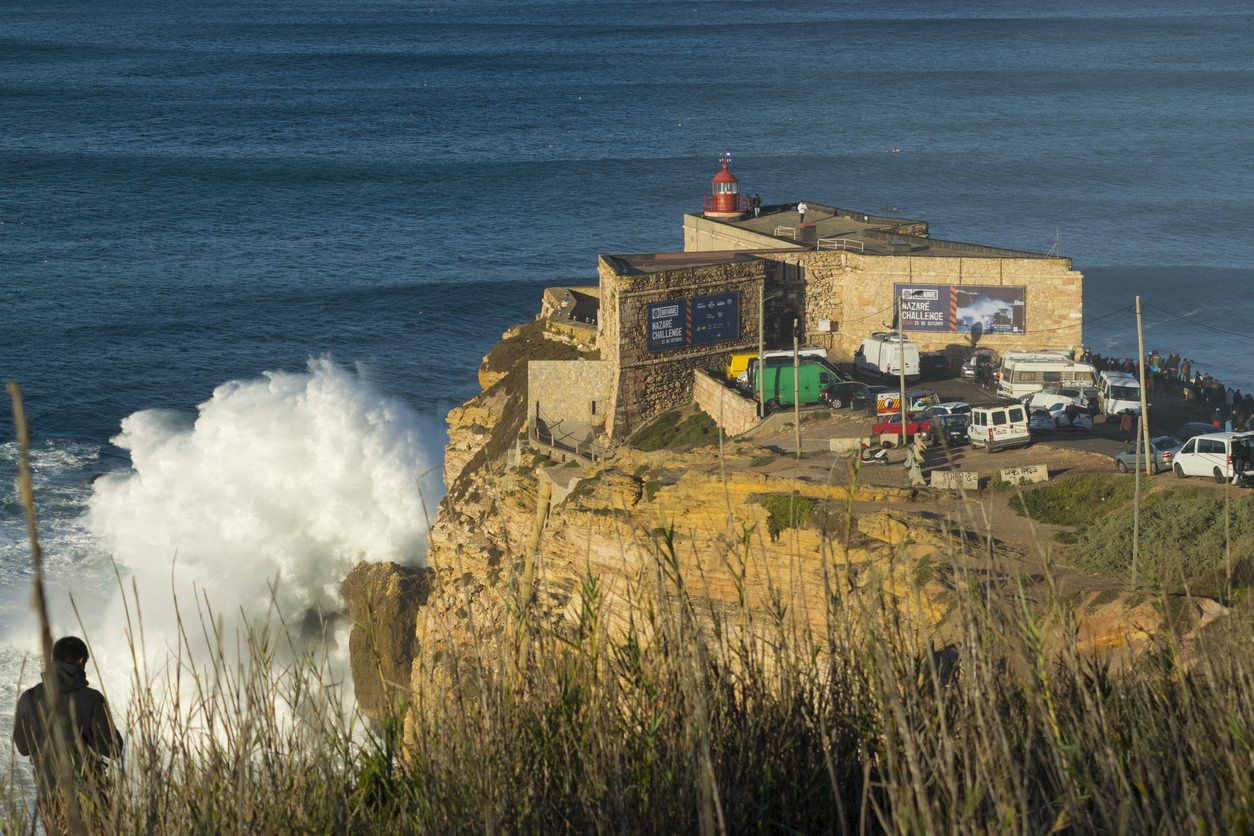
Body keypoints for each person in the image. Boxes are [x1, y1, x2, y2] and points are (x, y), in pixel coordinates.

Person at [13, 636, 123, 826]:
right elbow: (113, 751)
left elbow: (23, 748)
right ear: (81, 662)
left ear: (53, 661)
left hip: (49, 797)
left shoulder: (28, 698)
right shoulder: (92, 698)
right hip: (90, 795)